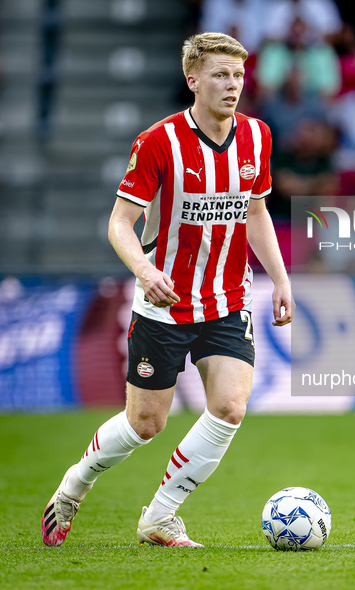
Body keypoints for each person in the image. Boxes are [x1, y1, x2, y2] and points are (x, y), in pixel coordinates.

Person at [41, 32, 293, 548]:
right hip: (166, 303)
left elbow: (256, 212)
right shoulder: (159, 142)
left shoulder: (257, 137)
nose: (232, 85)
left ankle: (159, 517)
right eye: (221, 75)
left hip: (227, 300)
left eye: (238, 75)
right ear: (192, 79)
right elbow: (119, 223)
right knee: (144, 424)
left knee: (229, 407)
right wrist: (143, 270)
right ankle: (74, 485)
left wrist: (281, 279)